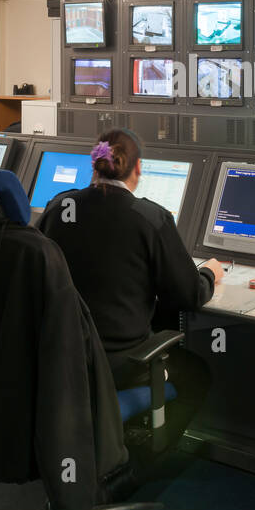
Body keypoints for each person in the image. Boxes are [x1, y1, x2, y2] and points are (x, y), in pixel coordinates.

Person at [36, 127, 223, 460]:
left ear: (93, 165)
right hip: (121, 364)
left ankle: (109, 448)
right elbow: (188, 295)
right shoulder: (150, 217)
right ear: (139, 168)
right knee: (197, 374)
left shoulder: (58, 207)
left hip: (61, 357)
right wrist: (210, 272)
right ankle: (141, 466)